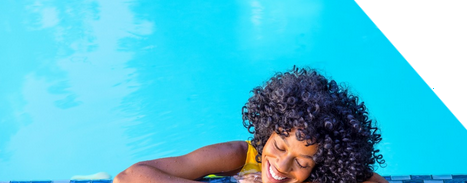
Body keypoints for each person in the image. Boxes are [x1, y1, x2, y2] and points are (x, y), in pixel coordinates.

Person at [114, 67, 387, 183]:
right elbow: (128, 178)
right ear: (268, 130)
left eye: (302, 163)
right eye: (279, 146)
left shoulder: (325, 174)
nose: (281, 165)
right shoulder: (240, 156)